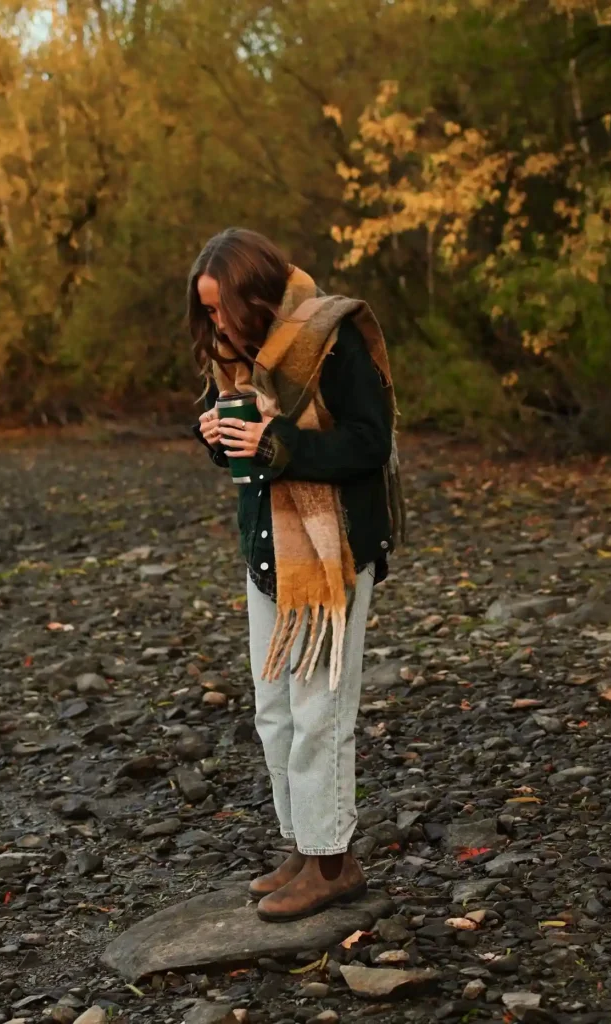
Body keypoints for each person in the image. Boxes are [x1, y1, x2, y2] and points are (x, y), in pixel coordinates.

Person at [188, 228, 404, 922]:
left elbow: (370, 442)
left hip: (330, 551)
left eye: (221, 307)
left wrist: (275, 444)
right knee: (274, 710)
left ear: (256, 295)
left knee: (320, 715)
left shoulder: (330, 336)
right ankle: (303, 847)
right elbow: (255, 463)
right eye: (207, 311)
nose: (214, 323)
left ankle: (334, 863)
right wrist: (220, 440)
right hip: (269, 551)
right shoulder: (241, 356)